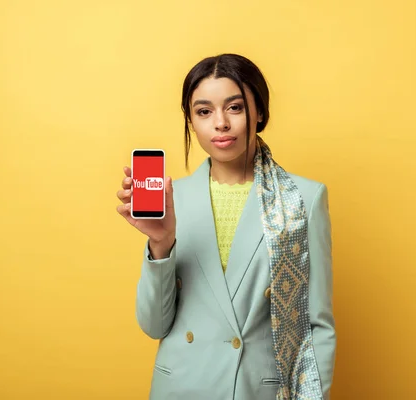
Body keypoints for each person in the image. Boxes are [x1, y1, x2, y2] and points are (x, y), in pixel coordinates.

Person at [117, 53, 336, 400]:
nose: (220, 123)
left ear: (259, 112)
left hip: (256, 390)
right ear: (191, 121)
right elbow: (154, 326)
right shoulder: (175, 200)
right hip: (182, 386)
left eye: (234, 107)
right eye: (204, 111)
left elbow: (317, 326)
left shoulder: (302, 199)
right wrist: (160, 244)